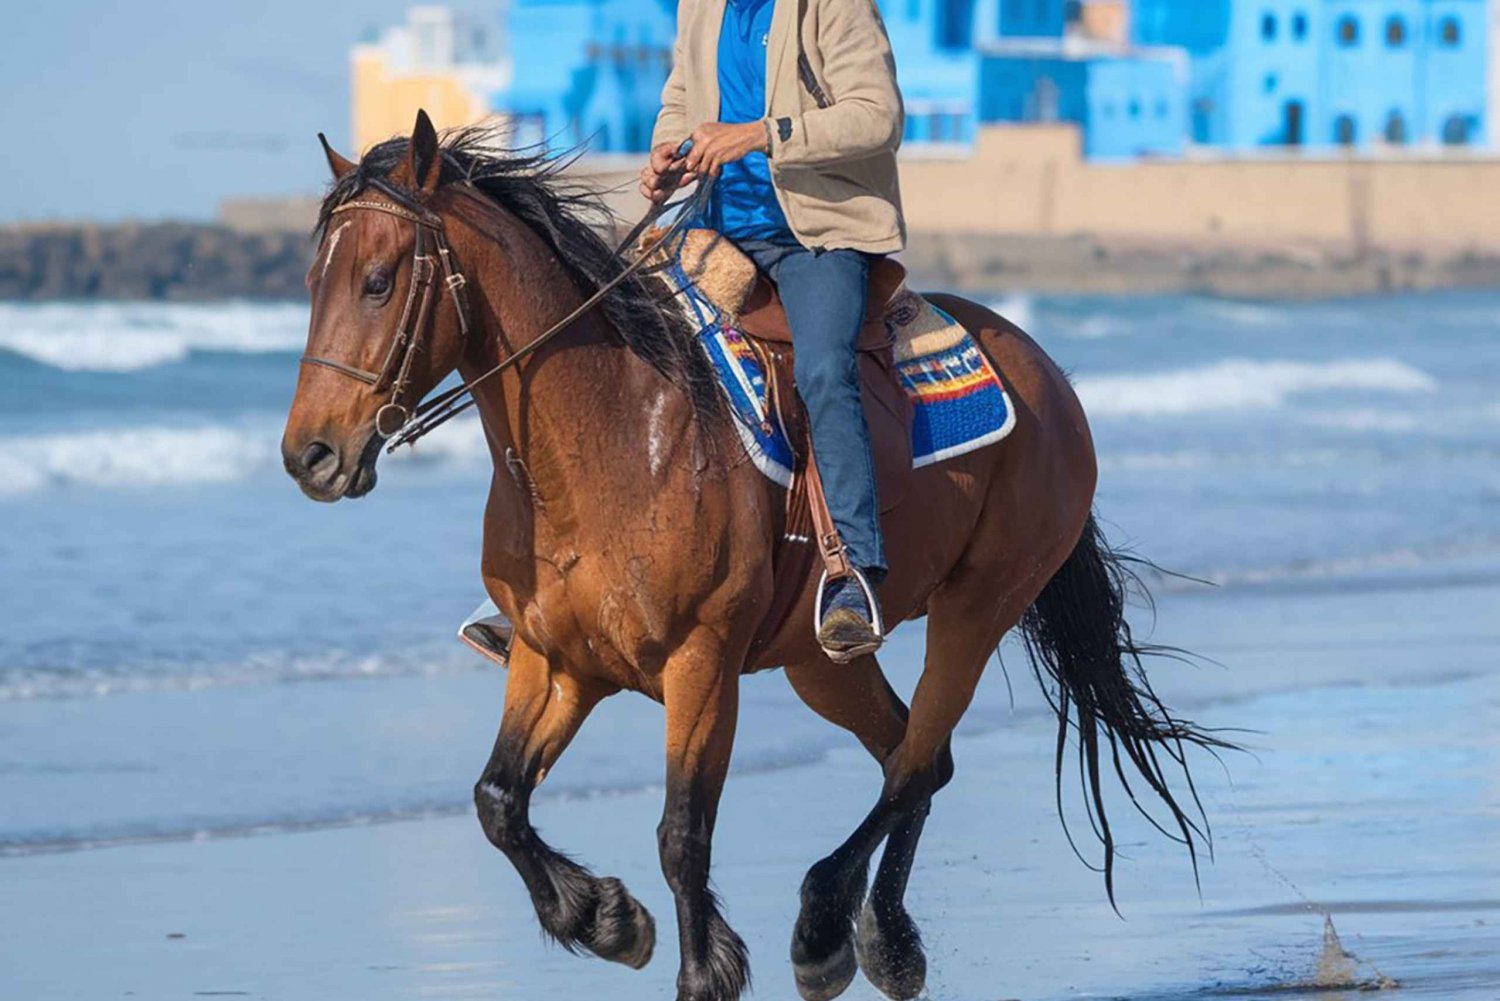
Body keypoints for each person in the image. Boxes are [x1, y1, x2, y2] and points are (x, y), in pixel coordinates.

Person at [640, 0, 905, 659]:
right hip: (714, 224)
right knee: (609, 337)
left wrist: (761, 134)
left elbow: (878, 116)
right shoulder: (699, 7)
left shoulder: (835, 7)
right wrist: (665, 153)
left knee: (822, 369)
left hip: (817, 234)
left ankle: (855, 572)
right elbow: (682, 94)